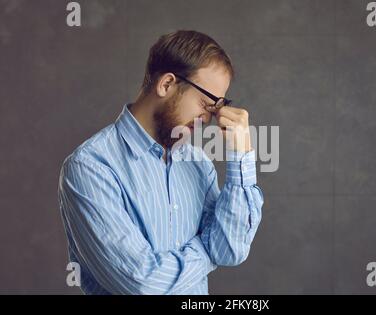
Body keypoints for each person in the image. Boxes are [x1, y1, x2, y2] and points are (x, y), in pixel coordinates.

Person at [58, 30, 264, 295]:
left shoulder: (198, 163)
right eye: (206, 103)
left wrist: (241, 157)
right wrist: (206, 248)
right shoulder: (90, 167)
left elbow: (231, 248)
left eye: (216, 108)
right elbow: (144, 283)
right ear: (166, 84)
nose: (210, 119)